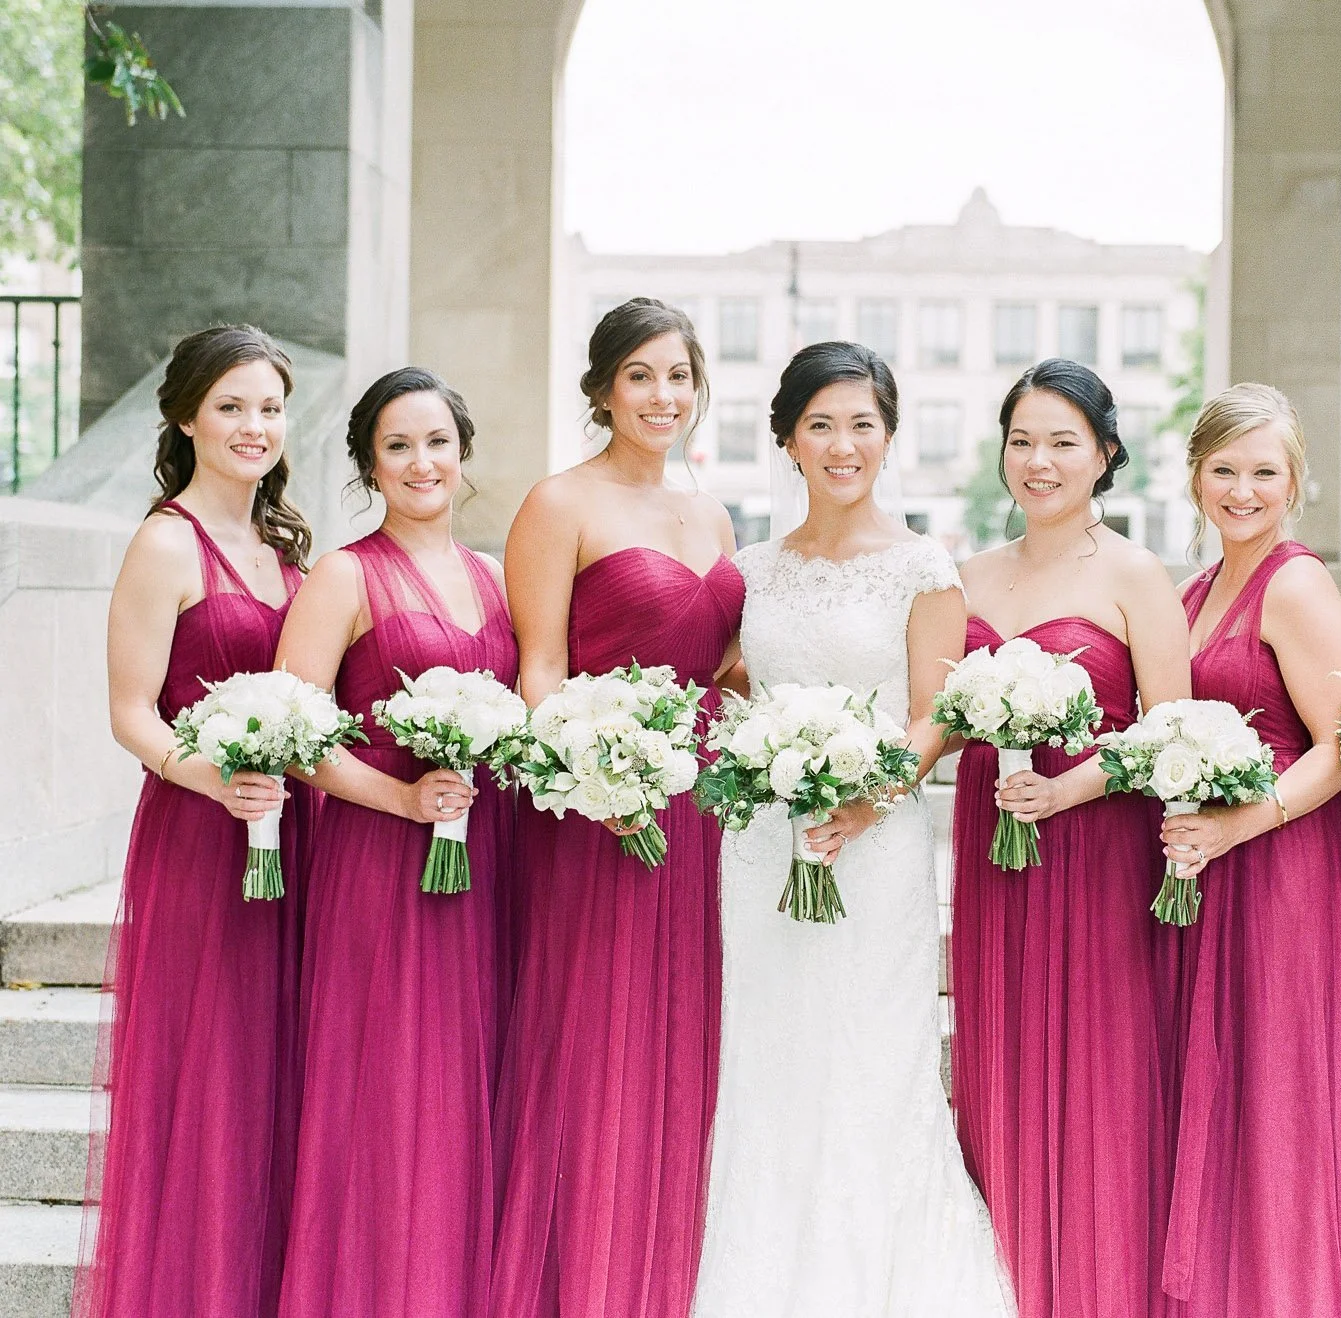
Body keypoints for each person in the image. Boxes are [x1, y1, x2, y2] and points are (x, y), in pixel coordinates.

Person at [690, 341, 1011, 1317]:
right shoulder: (748, 570)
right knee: (773, 1061)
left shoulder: (923, 565)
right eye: (821, 424)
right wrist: (756, 760)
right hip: (762, 851)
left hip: (875, 849)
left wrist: (869, 795)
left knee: (872, 1065)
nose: (843, 444)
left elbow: (938, 710)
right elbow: (725, 693)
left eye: (862, 424)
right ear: (787, 439)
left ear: (889, 435)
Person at [489, 299, 743, 1318]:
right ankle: (583, 1280)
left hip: (703, 811)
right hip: (601, 810)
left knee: (686, 1036)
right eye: (639, 375)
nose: (662, 395)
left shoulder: (712, 516)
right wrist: (604, 772)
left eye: (678, 375)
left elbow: (722, 666)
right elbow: (538, 671)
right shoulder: (560, 503)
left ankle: (666, 1273)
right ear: (600, 389)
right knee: (597, 1039)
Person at [78, 325, 312, 1318]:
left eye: (268, 406)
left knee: (275, 1078)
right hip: (199, 832)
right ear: (185, 416)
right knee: (209, 1078)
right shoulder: (166, 539)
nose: (254, 426)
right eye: (231, 406)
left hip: (292, 836)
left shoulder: (290, 545)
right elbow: (131, 710)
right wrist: (213, 778)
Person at [952, 357, 1191, 1316]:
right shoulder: (966, 574)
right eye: (1022, 441)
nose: (1038, 462)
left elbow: (1173, 726)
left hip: (1093, 851)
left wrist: (1074, 787)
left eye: (1062, 443)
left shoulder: (1136, 574)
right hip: (992, 844)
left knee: (1096, 1077)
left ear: (1104, 455)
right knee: (1002, 1064)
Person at [274, 368, 516, 1316]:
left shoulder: (496, 577)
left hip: (486, 859)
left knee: (470, 1086)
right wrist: (402, 800)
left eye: (438, 443)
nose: (423, 462)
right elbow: (294, 736)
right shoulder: (345, 573)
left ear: (464, 455)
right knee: (388, 1087)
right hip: (382, 859)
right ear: (370, 463)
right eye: (399, 446)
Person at [1159, 382, 1341, 1317]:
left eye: (1263, 472)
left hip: (1280, 867)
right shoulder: (1196, 589)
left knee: (1278, 1101)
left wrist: (1241, 823)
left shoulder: (1297, 581)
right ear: (1196, 475)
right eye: (1224, 470)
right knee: (1221, 1094)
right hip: (1204, 866)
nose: (1242, 490)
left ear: (1296, 483)